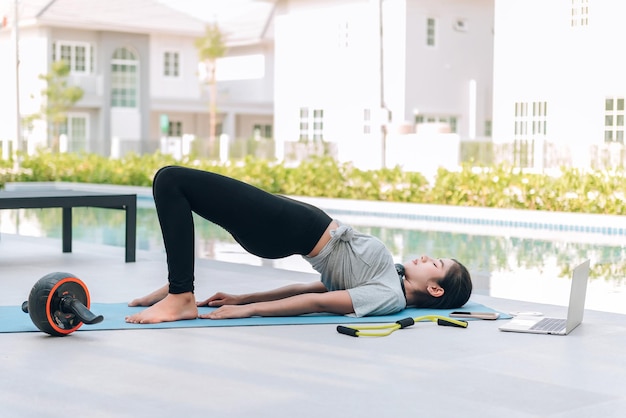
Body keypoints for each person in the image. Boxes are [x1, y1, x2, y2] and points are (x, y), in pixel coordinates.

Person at [125, 165, 473, 324]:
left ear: (435, 289)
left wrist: (248, 312)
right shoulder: (389, 278)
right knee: (178, 186)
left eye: (436, 264)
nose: (428, 257)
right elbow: (311, 287)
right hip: (289, 226)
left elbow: (317, 304)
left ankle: (181, 296)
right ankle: (178, 287)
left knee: (172, 180)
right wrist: (241, 297)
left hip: (288, 228)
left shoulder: (388, 297)